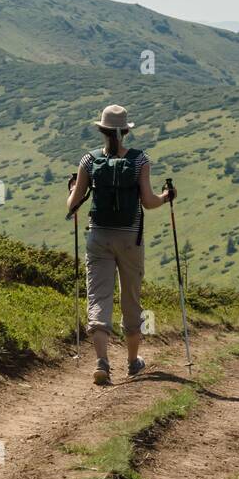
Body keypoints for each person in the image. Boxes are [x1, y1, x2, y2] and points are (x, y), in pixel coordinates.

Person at [65, 105, 175, 385]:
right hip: (130, 239)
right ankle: (132, 362)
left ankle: (102, 362)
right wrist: (166, 196)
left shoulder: (88, 161)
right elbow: (149, 203)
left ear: (101, 130)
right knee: (131, 297)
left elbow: (73, 205)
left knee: (99, 297)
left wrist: (71, 190)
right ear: (126, 131)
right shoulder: (140, 160)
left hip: (98, 236)